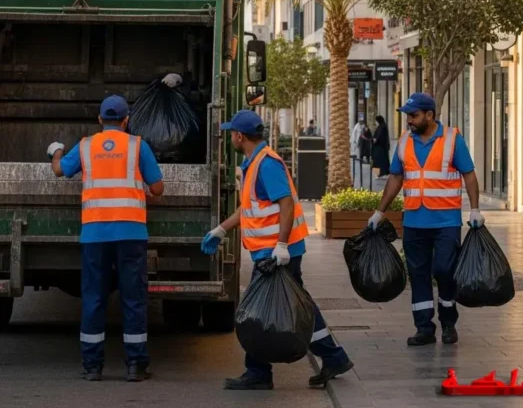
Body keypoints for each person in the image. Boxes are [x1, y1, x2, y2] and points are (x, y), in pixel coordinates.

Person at [200, 110, 353, 390]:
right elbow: (249, 208)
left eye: (231, 133)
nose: (230, 138)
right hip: (273, 250)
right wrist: (221, 229)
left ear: (239, 136)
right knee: (300, 304)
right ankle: (334, 357)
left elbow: (286, 203)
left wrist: (281, 245)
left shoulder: (267, 164)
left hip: (276, 253)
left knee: (258, 309)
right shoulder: (254, 162)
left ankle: (258, 371)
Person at [48, 95, 164, 382]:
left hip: (95, 233)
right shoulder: (138, 146)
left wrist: (56, 151)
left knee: (93, 298)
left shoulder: (86, 146)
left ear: (100, 119)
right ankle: (135, 365)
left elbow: (60, 170)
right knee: (133, 299)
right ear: (126, 120)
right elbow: (158, 188)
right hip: (131, 233)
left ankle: (92, 367)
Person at [368, 93, 484, 347]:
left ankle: (448, 322)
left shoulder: (452, 139)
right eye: (408, 116)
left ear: (429, 115)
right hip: (414, 221)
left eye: (414, 115)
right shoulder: (404, 142)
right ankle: (424, 328)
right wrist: (380, 212)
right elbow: (396, 177)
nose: (409, 120)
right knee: (418, 274)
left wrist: (475, 209)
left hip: (445, 221)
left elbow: (469, 174)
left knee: (444, 270)